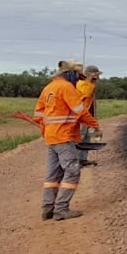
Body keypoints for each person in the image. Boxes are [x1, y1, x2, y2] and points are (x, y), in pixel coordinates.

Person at [33, 60, 100, 221]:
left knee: (53, 174)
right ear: (71, 74)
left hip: (52, 137)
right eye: (77, 76)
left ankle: (47, 208)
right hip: (64, 136)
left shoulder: (49, 87)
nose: (78, 80)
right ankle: (61, 209)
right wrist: (94, 124)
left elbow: (38, 115)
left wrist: (46, 130)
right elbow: (79, 111)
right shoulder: (66, 87)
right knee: (72, 171)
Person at [76, 65, 101, 167]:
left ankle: (82, 159)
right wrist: (92, 82)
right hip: (81, 115)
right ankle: (75, 159)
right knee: (80, 138)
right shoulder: (82, 84)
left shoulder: (89, 84)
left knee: (86, 138)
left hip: (88, 115)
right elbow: (86, 93)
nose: (98, 77)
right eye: (96, 75)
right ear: (91, 74)